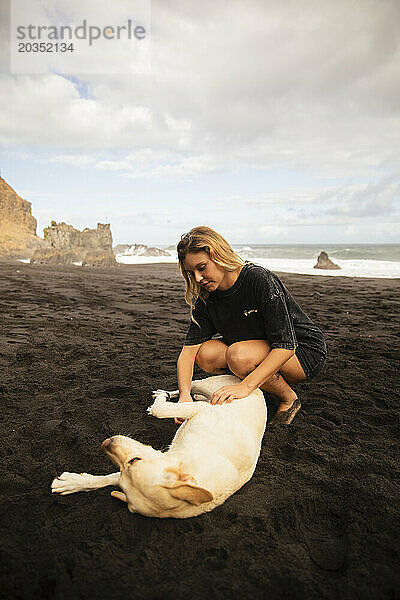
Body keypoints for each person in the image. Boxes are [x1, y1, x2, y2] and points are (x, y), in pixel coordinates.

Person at [175, 226, 327, 425]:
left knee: (238, 356)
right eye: (191, 272)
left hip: (301, 351)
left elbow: (286, 345)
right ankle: (261, 379)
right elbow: (188, 352)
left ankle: (288, 399)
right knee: (205, 354)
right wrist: (184, 397)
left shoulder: (257, 279)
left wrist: (246, 386)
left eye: (202, 267)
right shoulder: (205, 296)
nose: (197, 278)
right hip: (257, 347)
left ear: (219, 255)